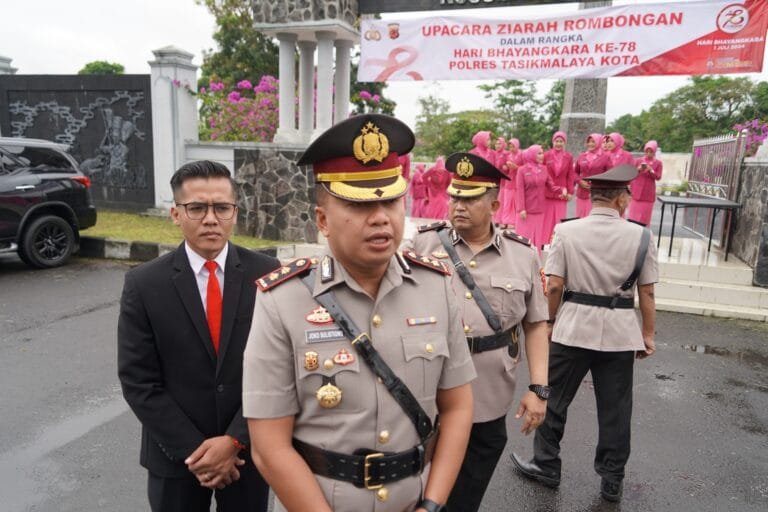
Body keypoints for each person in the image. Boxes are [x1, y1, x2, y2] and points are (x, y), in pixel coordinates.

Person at [242, 114, 476, 512]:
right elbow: (269, 447)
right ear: (322, 220)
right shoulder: (282, 300)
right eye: (359, 203)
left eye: (391, 200)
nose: (381, 216)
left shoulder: (436, 287)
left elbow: (457, 407)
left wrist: (433, 504)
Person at [117, 160, 279, 512]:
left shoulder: (268, 275)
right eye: (196, 208)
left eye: (221, 207)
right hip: (175, 457)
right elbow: (138, 380)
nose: (210, 219)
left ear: (235, 212)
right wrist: (195, 451)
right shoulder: (144, 283)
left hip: (248, 453)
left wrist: (234, 441)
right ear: (176, 214)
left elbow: (279, 371)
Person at [409, 152, 550, 512]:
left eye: (470, 199)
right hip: (427, 389)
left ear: (495, 205)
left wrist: (538, 388)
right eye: (455, 196)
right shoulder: (422, 246)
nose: (459, 205)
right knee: (416, 488)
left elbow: (535, 324)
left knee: (466, 496)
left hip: (488, 394)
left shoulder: (522, 255)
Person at [511, 164, 658, 504]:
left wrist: (548, 321)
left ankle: (546, 465)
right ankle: (612, 480)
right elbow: (647, 292)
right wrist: (647, 334)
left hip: (574, 326)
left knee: (554, 399)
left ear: (592, 198)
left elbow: (555, 285)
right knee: (616, 408)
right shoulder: (642, 236)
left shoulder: (567, 231)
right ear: (622, 199)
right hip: (620, 331)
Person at [516, 145, 567, 250]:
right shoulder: (522, 170)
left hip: (540, 210)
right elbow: (519, 191)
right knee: (524, 237)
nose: (542, 155)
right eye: (539, 153)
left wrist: (562, 189)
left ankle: (536, 258)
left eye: (542, 153)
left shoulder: (544, 169)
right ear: (532, 155)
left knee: (537, 238)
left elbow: (551, 186)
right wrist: (521, 209)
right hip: (526, 211)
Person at [543, 131, 575, 244]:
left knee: (559, 220)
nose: (558, 143)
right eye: (557, 141)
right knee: (546, 220)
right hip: (547, 192)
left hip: (562, 194)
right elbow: (543, 172)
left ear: (564, 143)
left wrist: (570, 192)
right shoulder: (546, 155)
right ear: (553, 142)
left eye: (561, 141)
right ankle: (544, 243)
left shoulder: (568, 157)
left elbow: (570, 175)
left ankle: (556, 243)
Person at [574, 133, 610, 218]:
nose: (590, 144)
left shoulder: (605, 157)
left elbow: (609, 175)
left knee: (594, 219)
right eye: (589, 142)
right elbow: (574, 172)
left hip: (598, 195)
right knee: (580, 218)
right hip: (582, 194)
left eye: (593, 142)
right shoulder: (582, 156)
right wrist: (579, 181)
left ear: (599, 142)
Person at [629, 141, 663, 226]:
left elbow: (658, 177)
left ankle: (643, 231)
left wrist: (651, 170)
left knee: (644, 218)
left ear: (654, 152)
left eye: (651, 152)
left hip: (648, 193)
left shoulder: (658, 163)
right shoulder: (638, 161)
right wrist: (638, 169)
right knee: (633, 217)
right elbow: (631, 173)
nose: (648, 154)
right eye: (647, 151)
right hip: (636, 191)